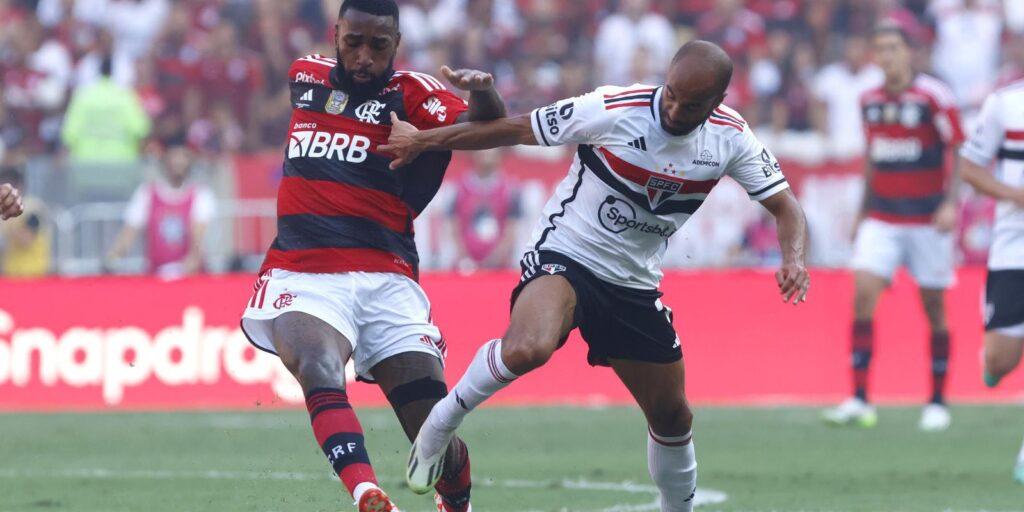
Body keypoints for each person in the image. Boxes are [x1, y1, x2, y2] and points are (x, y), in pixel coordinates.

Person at [382, 40, 810, 512]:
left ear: (717, 104)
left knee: (673, 416)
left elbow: (786, 207)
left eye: (689, 106)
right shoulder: (614, 107)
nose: (672, 108)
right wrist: (421, 140)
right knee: (529, 347)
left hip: (633, 283)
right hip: (566, 253)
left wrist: (793, 259)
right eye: (669, 94)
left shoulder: (731, 138)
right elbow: (512, 129)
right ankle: (440, 424)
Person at [238, 1, 506, 511]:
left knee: (430, 430)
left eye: (378, 46)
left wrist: (482, 93)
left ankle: (455, 496)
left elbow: (487, 126)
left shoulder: (415, 95)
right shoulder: (306, 75)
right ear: (336, 33)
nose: (363, 57)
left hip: (388, 276)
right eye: (352, 42)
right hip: (304, 270)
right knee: (317, 365)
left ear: (396, 44)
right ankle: (368, 494)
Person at [823, 23, 965, 431]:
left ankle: (938, 400)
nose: (886, 55)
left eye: (893, 47)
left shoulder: (934, 97)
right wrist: (861, 211)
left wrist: (951, 204)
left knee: (934, 307)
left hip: (927, 219)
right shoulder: (868, 100)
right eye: (880, 48)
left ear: (909, 53)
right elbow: (873, 155)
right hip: (883, 217)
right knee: (863, 295)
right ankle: (860, 398)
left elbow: (957, 147)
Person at [958, 80, 1024, 483]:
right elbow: (970, 168)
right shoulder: (1005, 104)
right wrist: (1016, 195)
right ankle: (993, 361)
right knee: (1002, 359)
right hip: (1013, 245)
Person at [105, 141, 216, 277]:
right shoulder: (146, 193)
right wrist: (112, 260)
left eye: (184, 157)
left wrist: (180, 270)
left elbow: (197, 243)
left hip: (191, 278)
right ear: (165, 159)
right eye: (174, 156)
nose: (179, 162)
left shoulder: (200, 195)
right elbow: (128, 234)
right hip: (156, 276)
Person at [447, 148, 522, 270]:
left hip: (499, 268)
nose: (486, 158)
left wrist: (493, 261)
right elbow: (453, 227)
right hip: (465, 267)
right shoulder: (458, 188)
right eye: (482, 154)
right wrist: (465, 258)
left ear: (499, 158)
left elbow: (511, 231)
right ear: (474, 156)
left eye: (491, 154)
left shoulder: (511, 189)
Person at [0, 167, 50, 276]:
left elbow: (26, 240)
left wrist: (8, 223)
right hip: (10, 276)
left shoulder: (32, 208)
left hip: (32, 276)